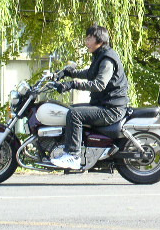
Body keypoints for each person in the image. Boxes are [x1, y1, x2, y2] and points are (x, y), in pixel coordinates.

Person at [51, 25, 129, 169]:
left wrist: (72, 84)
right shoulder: (100, 55)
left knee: (74, 114)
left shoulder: (107, 59)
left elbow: (99, 84)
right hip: (104, 105)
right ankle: (72, 148)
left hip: (111, 109)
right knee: (68, 110)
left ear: (99, 39)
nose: (86, 42)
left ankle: (73, 155)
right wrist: (69, 73)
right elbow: (90, 73)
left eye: (89, 38)